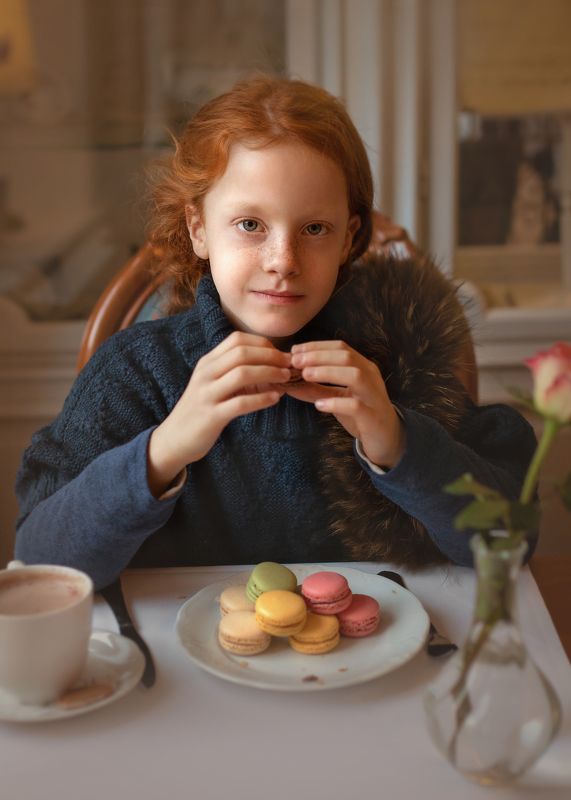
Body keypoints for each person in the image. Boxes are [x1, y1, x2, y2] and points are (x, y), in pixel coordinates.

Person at [14, 76, 537, 590]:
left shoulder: (398, 356)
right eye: (250, 225)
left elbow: (510, 539)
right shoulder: (136, 370)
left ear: (348, 238)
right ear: (199, 229)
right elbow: (42, 558)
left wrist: (397, 440)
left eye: (315, 229)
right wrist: (164, 450)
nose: (283, 261)